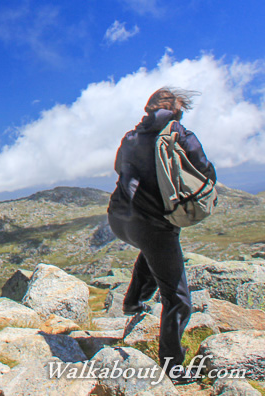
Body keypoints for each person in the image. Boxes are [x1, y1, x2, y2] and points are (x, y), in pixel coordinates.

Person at [107, 87, 216, 383]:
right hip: (153, 227)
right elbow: (206, 172)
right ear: (176, 111)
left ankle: (132, 301)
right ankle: (172, 367)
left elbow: (120, 169)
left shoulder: (131, 137)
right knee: (179, 300)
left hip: (119, 220)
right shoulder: (180, 135)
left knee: (152, 249)